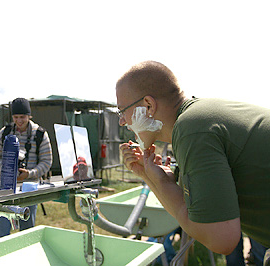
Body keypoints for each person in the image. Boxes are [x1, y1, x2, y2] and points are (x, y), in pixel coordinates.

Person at [116, 61, 270, 258]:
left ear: (148, 105)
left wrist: (163, 184)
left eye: (122, 111)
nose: (121, 121)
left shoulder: (192, 129)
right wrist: (149, 176)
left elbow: (221, 239)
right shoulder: (198, 118)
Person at [0, 98, 52, 238]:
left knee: (27, 233)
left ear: (29, 116)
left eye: (23, 117)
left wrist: (30, 173)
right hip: (4, 189)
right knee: (1, 233)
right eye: (16, 117)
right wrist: (8, 172)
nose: (19, 121)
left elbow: (47, 162)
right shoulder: (5, 132)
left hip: (28, 189)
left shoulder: (40, 134)